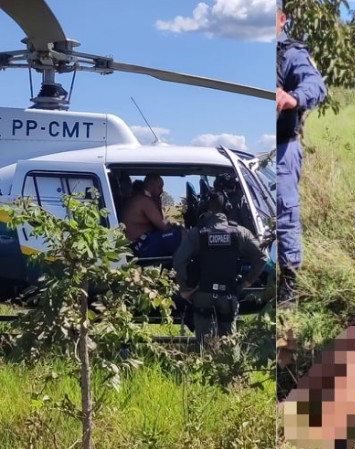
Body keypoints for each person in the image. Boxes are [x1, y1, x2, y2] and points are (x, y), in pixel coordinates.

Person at [276, 0, 326, 304]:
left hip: (282, 149)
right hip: (250, 151)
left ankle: (289, 288)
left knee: (285, 215)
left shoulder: (291, 54)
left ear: (282, 20)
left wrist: (293, 98)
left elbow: (316, 86)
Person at [173, 189, 268, 344]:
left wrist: (184, 289)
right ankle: (229, 367)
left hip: (203, 294)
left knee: (205, 346)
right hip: (229, 295)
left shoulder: (197, 234)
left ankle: (207, 365)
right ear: (227, 208)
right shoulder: (240, 232)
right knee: (229, 346)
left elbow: (178, 262)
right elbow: (262, 258)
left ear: (204, 210)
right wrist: (247, 282)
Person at [121, 174, 181, 258]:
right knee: (176, 234)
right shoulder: (144, 201)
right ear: (151, 186)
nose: (162, 191)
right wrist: (177, 227)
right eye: (159, 187)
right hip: (138, 246)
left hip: (138, 244)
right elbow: (163, 226)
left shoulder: (140, 199)